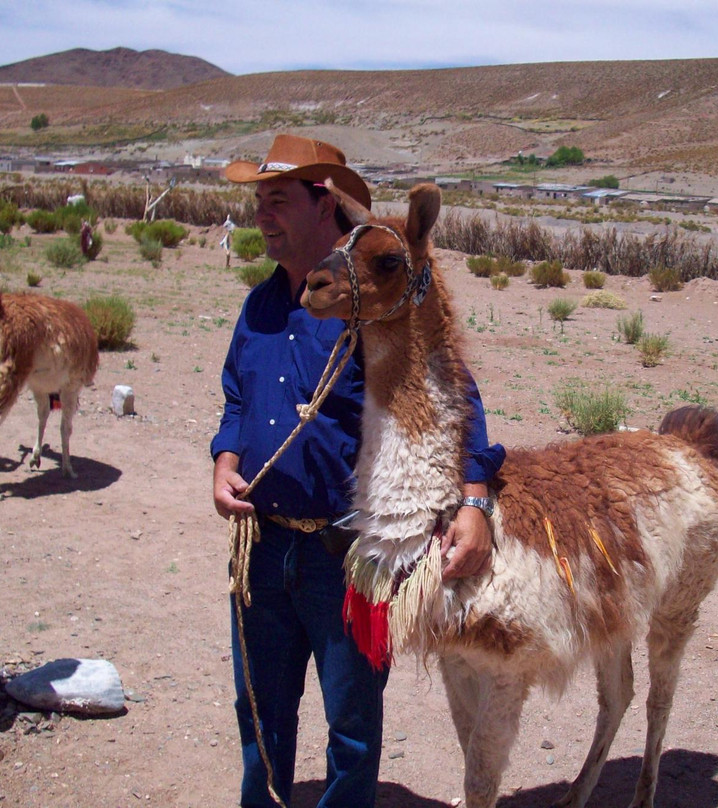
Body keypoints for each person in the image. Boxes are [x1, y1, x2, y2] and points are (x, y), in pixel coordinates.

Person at [211, 134, 504, 808]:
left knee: (351, 725)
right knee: (260, 713)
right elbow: (236, 393)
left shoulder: (374, 304)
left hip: (345, 555)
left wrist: (474, 498)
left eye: (277, 200)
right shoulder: (260, 307)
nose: (263, 214)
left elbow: (451, 396)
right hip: (260, 547)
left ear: (327, 208)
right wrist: (226, 459)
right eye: (259, 201)